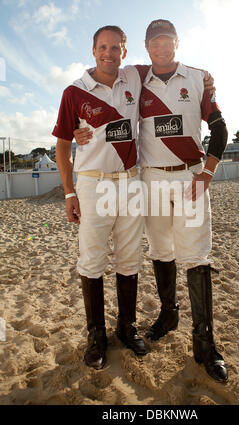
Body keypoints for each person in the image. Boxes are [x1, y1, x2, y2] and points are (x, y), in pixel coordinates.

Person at [74, 19, 228, 383]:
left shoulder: (197, 78)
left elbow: (220, 127)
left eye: (166, 41)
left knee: (197, 255)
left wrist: (208, 171)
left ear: (176, 42)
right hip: (152, 178)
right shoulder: (136, 77)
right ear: (146, 47)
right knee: (160, 249)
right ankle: (168, 314)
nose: (161, 48)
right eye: (154, 42)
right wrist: (81, 129)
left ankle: (205, 344)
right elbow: (103, 89)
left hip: (191, 175)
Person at [52, 25, 148, 371]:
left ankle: (127, 326)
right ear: (93, 50)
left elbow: (167, 66)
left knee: (130, 258)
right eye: (103, 47)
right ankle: (96, 335)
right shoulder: (74, 92)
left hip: (131, 181)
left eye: (116, 48)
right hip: (93, 184)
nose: (109, 54)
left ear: (125, 50)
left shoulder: (135, 79)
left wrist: (205, 80)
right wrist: (69, 192)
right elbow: (63, 147)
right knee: (92, 260)